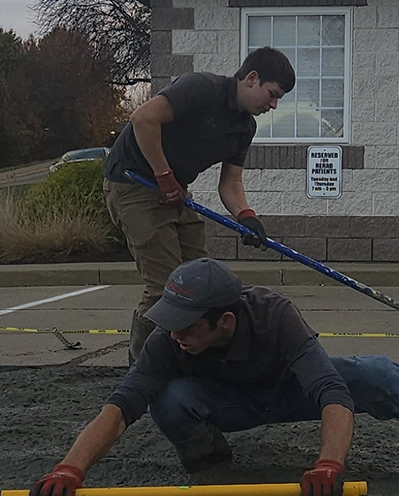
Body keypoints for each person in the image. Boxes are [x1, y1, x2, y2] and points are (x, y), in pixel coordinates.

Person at [29, 258, 399, 496]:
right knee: (168, 400)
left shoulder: (274, 314)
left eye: (187, 326)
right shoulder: (167, 339)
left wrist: (329, 465)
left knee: (379, 372)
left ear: (225, 321)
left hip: (291, 392)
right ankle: (215, 472)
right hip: (227, 403)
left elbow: (330, 391)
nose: (174, 334)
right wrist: (70, 470)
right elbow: (119, 408)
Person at [102, 47, 294, 361]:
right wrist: (164, 177)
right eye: (272, 94)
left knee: (201, 285)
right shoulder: (202, 88)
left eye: (278, 99)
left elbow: (230, 183)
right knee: (168, 287)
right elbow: (143, 119)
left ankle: (194, 364)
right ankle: (142, 369)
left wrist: (247, 216)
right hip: (134, 182)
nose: (273, 105)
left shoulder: (245, 127)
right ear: (251, 78)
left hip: (174, 188)